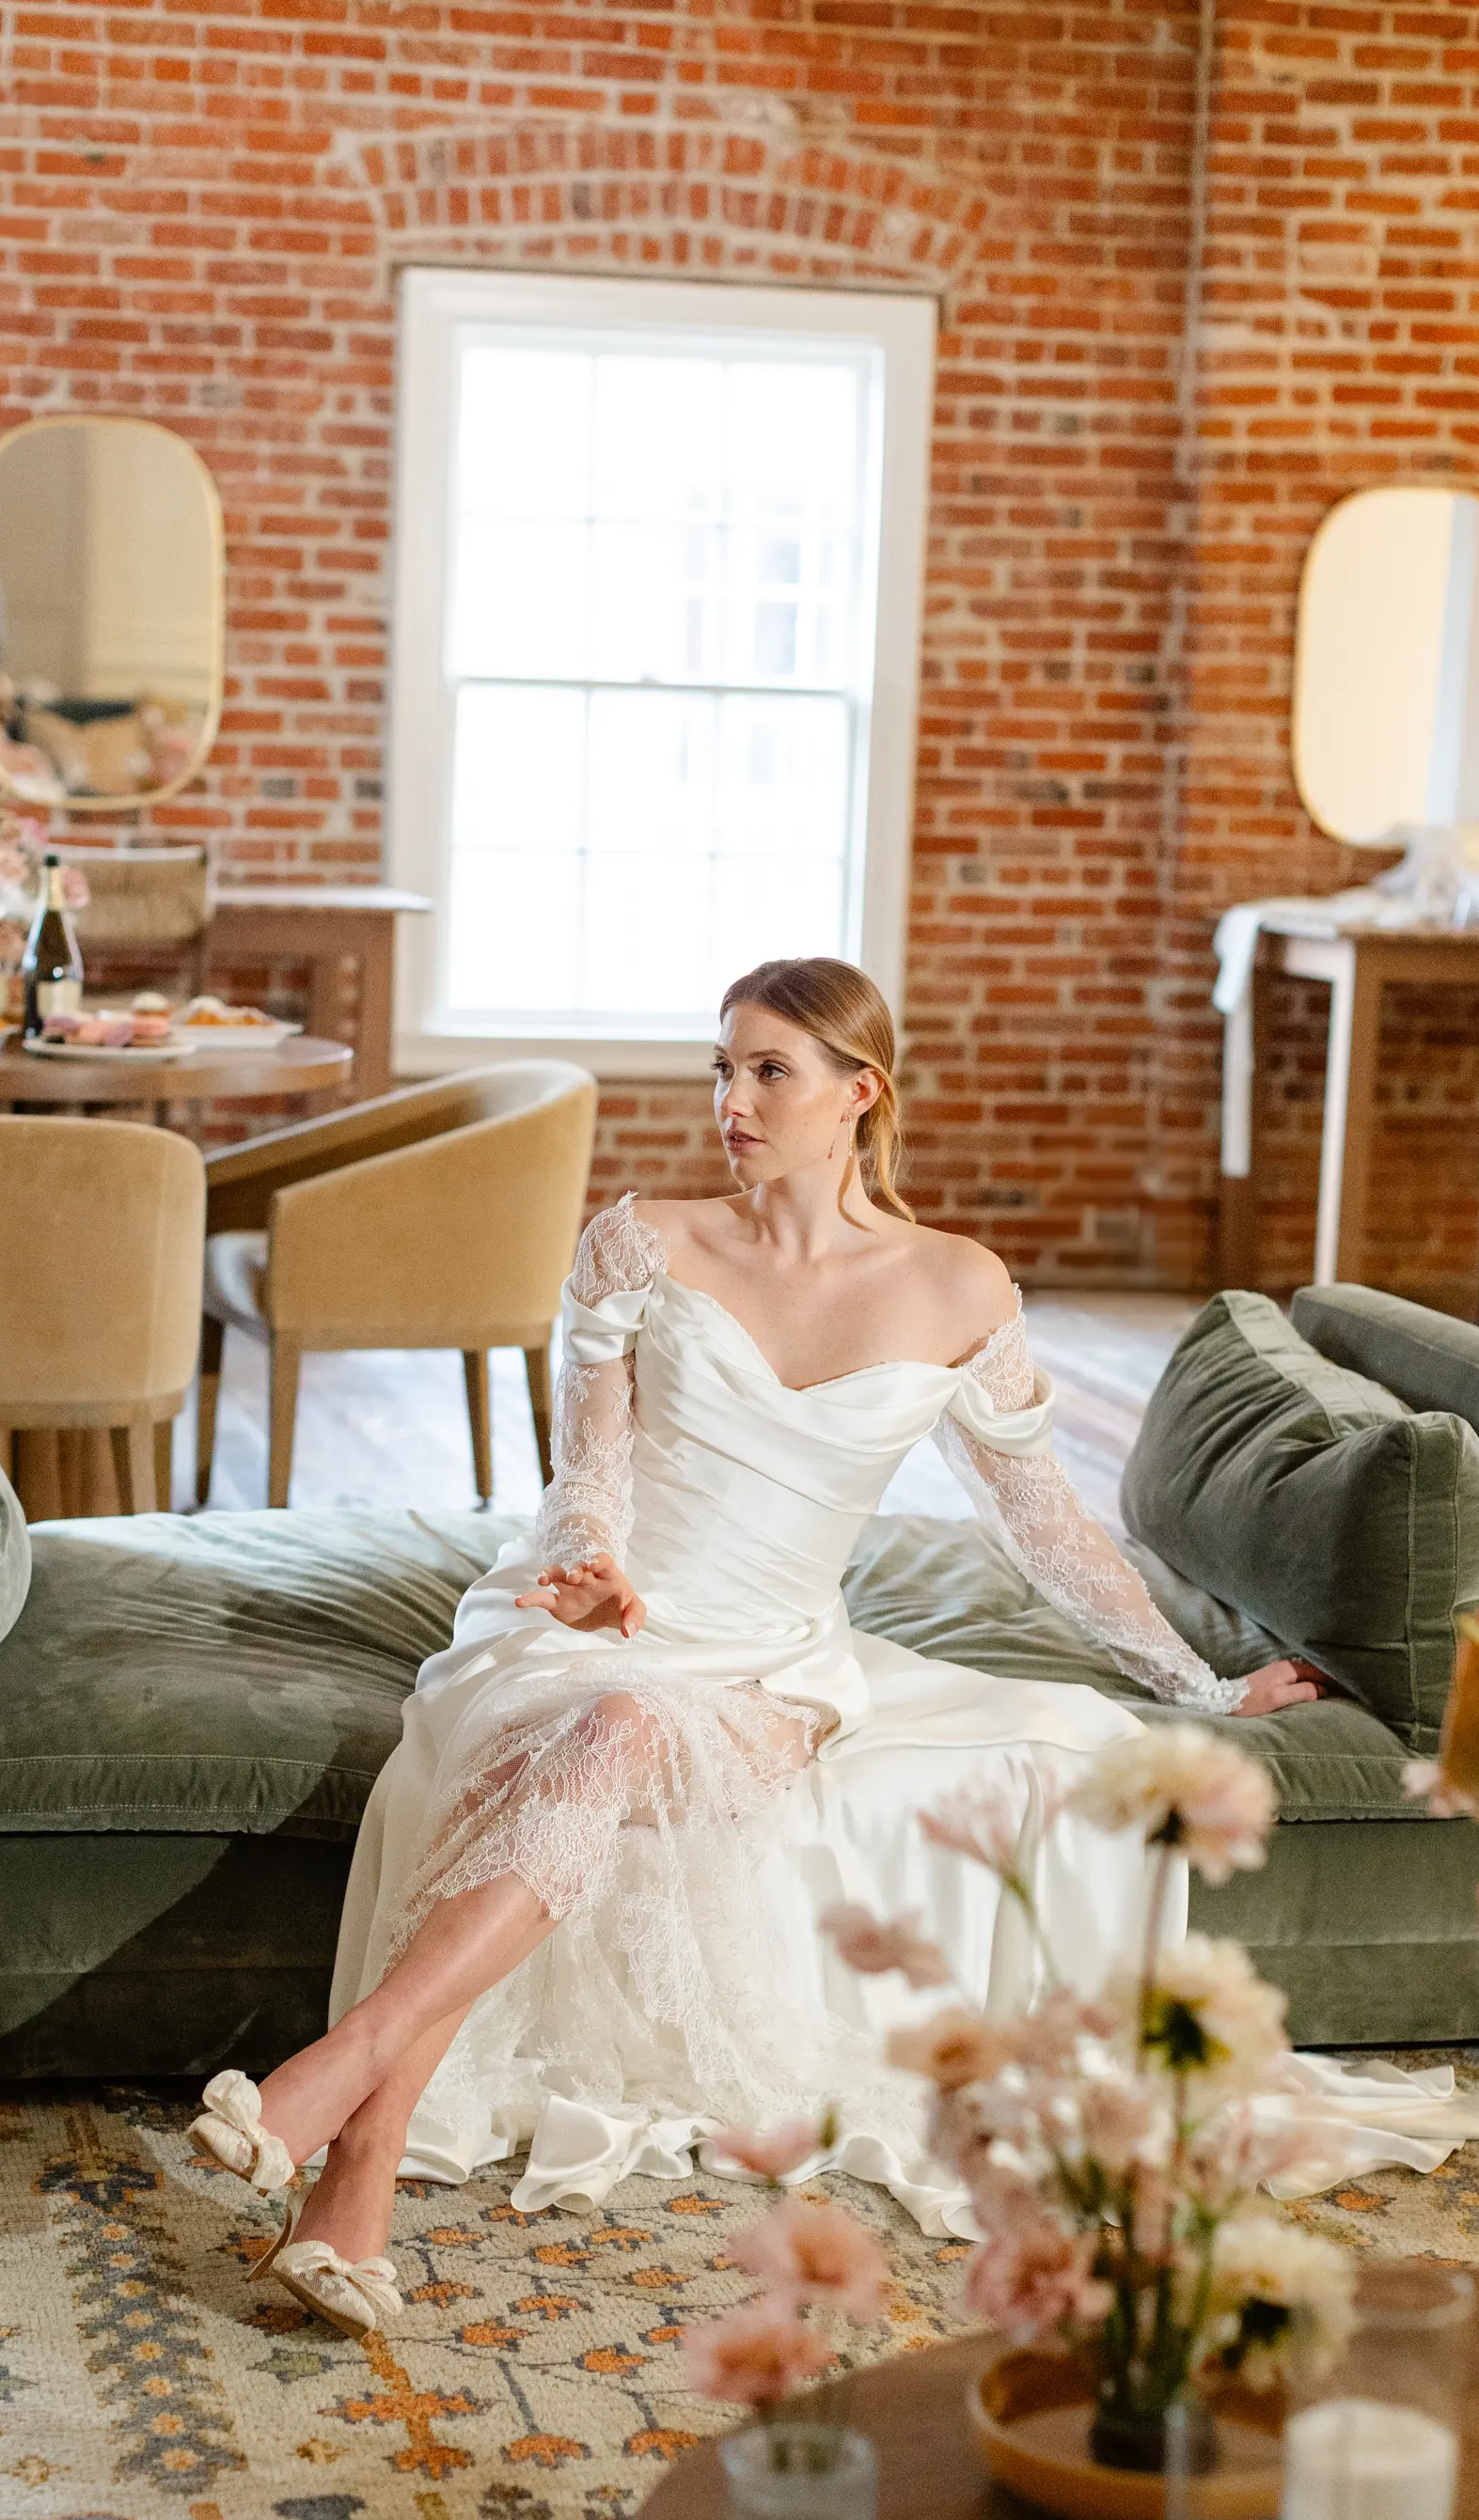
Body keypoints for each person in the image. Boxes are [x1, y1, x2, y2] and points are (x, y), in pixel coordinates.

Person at [188, 958, 1321, 2336]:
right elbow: (586, 1474)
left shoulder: (956, 1286)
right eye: (721, 1067)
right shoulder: (641, 1242)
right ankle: (350, 2187)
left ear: (861, 1092)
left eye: (769, 1071)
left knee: (618, 1732)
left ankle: (333, 2084)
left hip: (773, 1664)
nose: (731, 1100)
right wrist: (587, 1569)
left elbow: (1053, 1533)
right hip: (579, 1624)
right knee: (596, 1720)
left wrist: (1202, 1684)